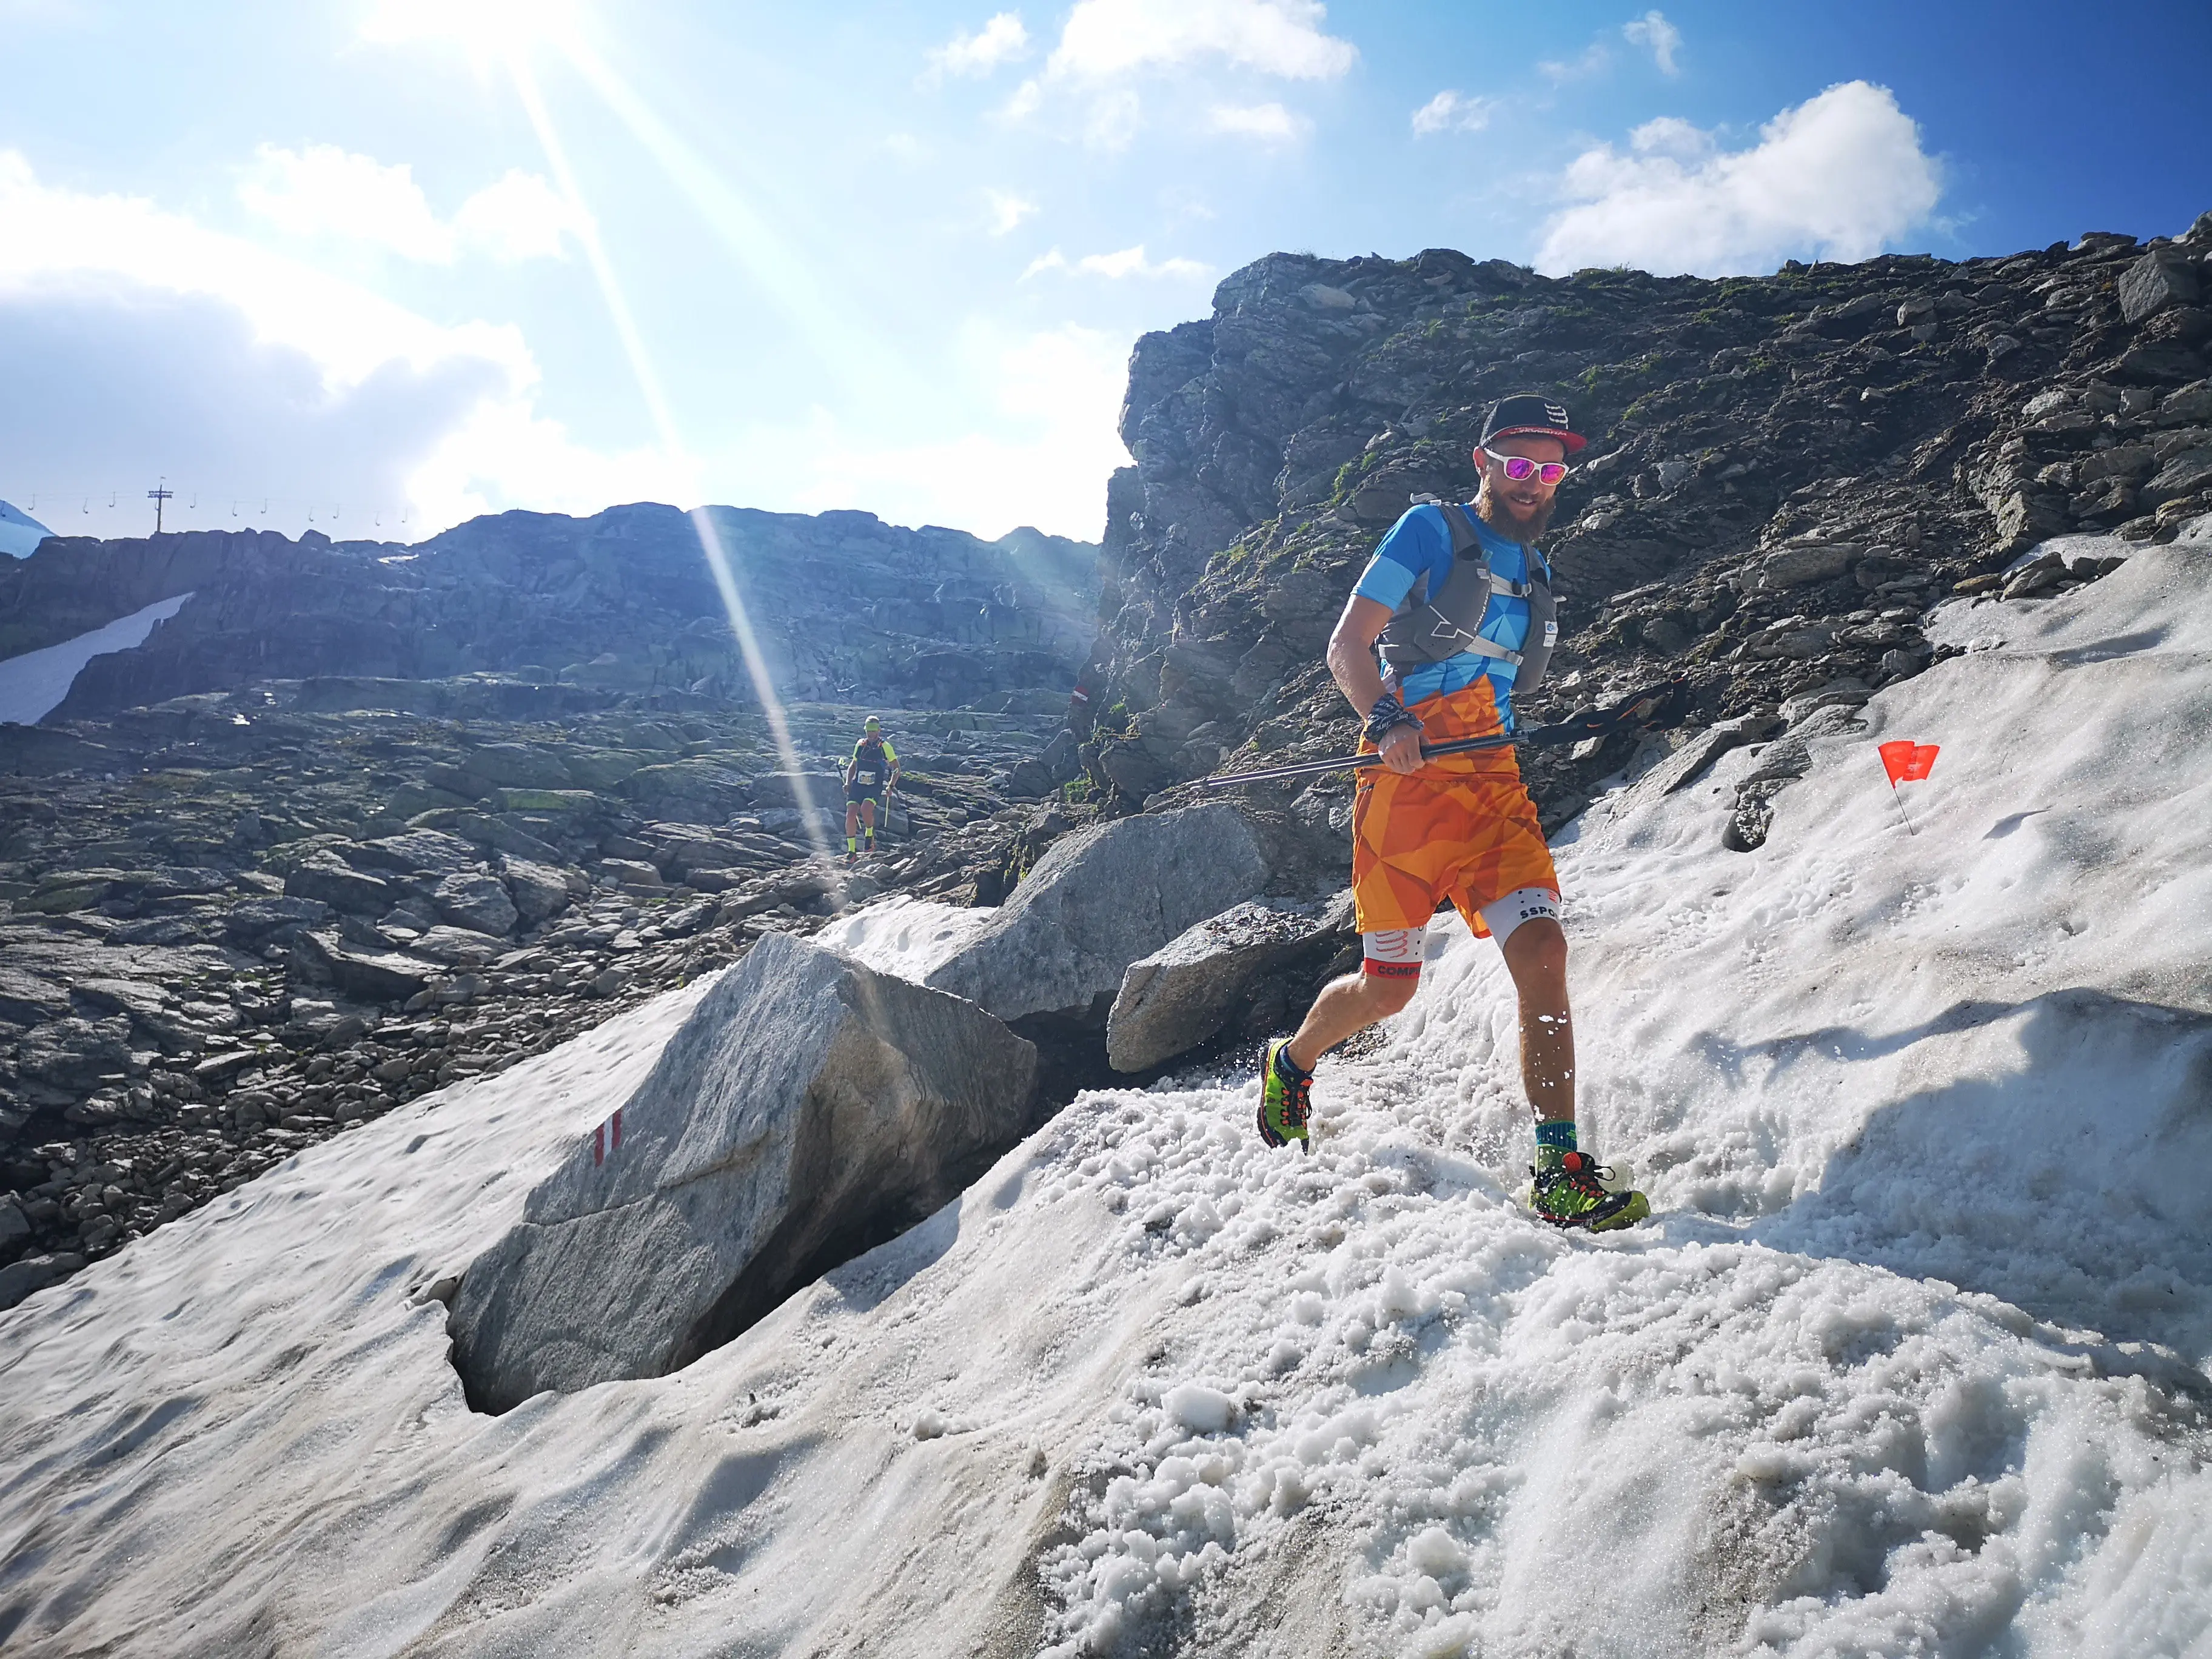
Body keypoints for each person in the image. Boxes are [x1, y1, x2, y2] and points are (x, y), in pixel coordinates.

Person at [1255, 394, 1649, 1231]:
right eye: (1516, 464)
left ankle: (1558, 1168)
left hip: (1493, 784)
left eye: (1549, 468)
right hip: (1403, 789)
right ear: (1484, 463)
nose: (1532, 482)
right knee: (1389, 990)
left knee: (1543, 949)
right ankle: (1292, 1062)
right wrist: (1388, 722)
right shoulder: (1426, 531)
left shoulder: (1537, 570)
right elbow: (1347, 646)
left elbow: (1505, 685)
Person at [843, 716, 899, 865]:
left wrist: (891, 786)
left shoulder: (885, 746)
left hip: (874, 785)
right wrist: (848, 782)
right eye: (868, 730)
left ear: (879, 731)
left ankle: (869, 835)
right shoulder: (860, 745)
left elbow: (896, 769)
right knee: (851, 814)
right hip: (858, 785)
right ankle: (852, 852)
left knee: (866, 809)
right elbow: (853, 765)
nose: (871, 734)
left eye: (873, 731)